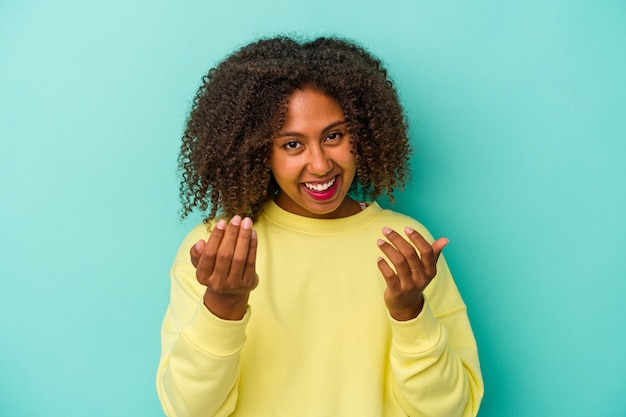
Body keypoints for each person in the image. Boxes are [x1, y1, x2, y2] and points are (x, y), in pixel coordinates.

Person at [156, 36, 483, 417]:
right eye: (292, 144)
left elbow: (453, 411)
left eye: (333, 136)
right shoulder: (218, 250)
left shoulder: (406, 248)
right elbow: (190, 411)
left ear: (362, 134)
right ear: (259, 151)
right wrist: (223, 305)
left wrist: (410, 312)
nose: (320, 164)